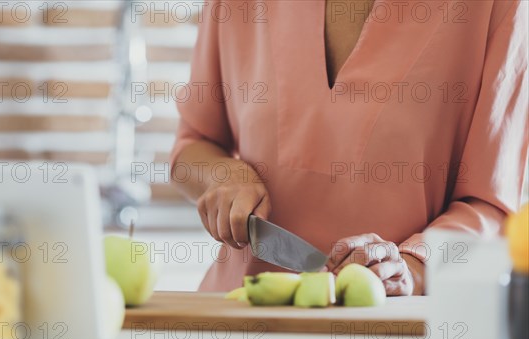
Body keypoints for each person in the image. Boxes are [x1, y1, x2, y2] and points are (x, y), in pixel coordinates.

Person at [170, 0, 528, 294]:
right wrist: (223, 177)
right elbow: (192, 144)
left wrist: (412, 266)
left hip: (396, 338)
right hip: (240, 323)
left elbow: (491, 206)